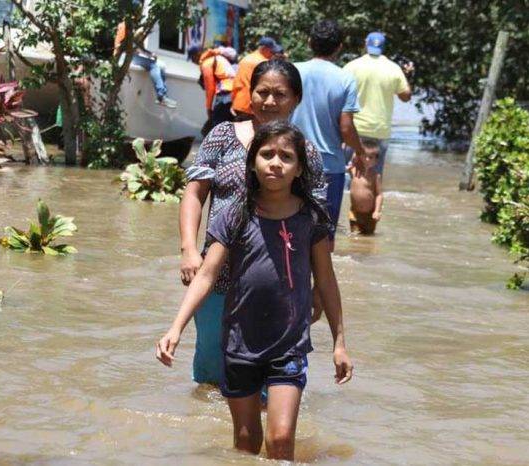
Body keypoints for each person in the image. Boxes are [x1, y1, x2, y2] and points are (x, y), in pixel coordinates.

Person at [158, 121, 353, 460]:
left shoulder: (311, 219)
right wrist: (176, 328)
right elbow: (206, 275)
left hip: (288, 345)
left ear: (299, 169)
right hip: (239, 344)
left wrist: (340, 343)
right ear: (252, 162)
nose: (275, 162)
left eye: (286, 157)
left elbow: (327, 280)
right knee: (246, 444)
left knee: (280, 441)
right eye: (266, 154)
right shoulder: (236, 213)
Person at [179, 59, 325, 385]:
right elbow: (194, 194)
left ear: (296, 99)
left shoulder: (305, 153)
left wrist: (317, 287)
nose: (270, 102)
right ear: (250, 94)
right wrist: (189, 248)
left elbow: (318, 223)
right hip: (218, 275)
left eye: (280, 94)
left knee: (269, 381)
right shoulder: (222, 136)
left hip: (278, 282)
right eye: (262, 93)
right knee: (210, 373)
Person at [290, 19, 365, 250]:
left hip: (291, 161)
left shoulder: (292, 71)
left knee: (288, 231)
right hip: (329, 167)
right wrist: (360, 153)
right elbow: (346, 127)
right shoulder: (345, 79)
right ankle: (319, 284)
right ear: (339, 47)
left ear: (309, 42)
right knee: (324, 238)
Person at [343, 32, 414, 175]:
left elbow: (338, 96)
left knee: (347, 174)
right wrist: (408, 76)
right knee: (374, 178)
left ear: (365, 44)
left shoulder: (352, 66)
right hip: (380, 130)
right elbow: (406, 96)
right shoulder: (393, 69)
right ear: (383, 47)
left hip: (354, 129)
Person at [114, 9, 177, 109]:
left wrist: (149, 54)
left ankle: (163, 95)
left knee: (160, 66)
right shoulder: (125, 26)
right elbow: (119, 45)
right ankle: (161, 96)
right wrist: (115, 61)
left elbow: (138, 46)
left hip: (132, 56)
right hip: (126, 57)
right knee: (153, 65)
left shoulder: (133, 28)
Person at [189, 45, 237, 134]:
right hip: (235, 94)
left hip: (225, 95)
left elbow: (210, 89)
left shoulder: (206, 63)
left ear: (197, 54)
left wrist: (208, 108)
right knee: (228, 128)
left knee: (216, 129)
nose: (193, 62)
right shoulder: (218, 58)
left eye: (192, 58)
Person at [231, 37, 282, 121]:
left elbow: (236, 82)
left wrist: (233, 102)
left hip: (240, 104)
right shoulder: (263, 63)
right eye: (271, 51)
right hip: (253, 107)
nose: (272, 54)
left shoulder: (246, 59)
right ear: (264, 49)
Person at [348, 138, 383, 235]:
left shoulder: (375, 176)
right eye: (365, 156)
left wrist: (377, 211)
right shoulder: (353, 170)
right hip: (354, 213)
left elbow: (379, 195)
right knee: (355, 237)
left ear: (376, 160)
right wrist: (356, 154)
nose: (367, 159)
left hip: (370, 215)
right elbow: (350, 162)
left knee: (369, 238)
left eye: (371, 157)